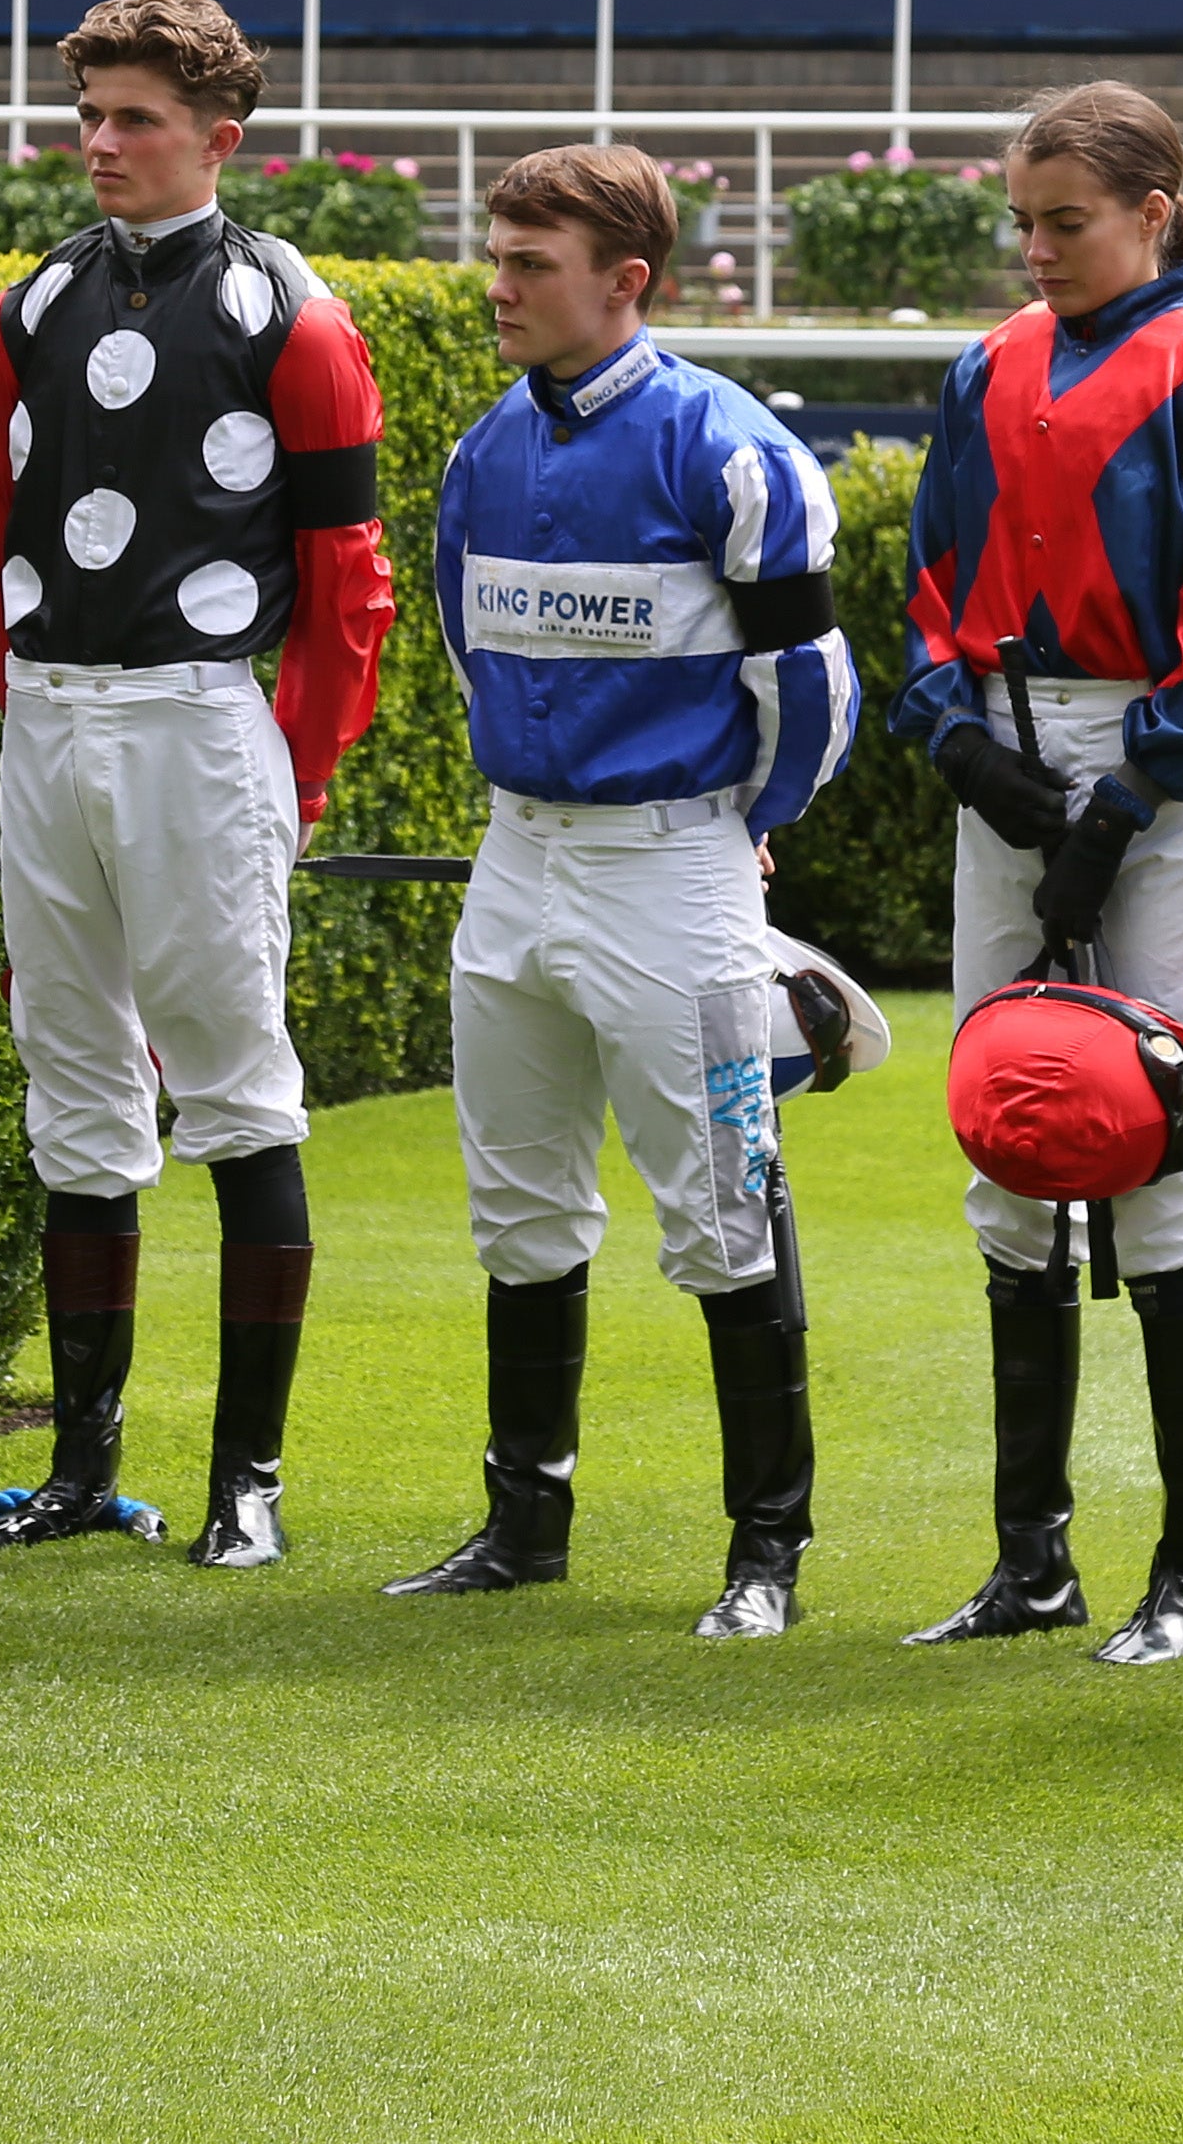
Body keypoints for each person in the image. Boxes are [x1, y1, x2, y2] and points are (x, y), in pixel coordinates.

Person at [0, 0, 390, 1568]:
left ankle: (247, 1482)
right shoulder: (34, 304)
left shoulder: (294, 316)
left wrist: (302, 771)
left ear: (220, 139)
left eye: (135, 119)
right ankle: (77, 1468)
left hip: (203, 725)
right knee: (69, 1079)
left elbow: (350, 575)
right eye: (90, 117)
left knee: (234, 1084)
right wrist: (24, 693)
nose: (103, 145)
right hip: (52, 721)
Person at [890, 83, 1183, 1667]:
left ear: (1156, 210)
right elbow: (932, 574)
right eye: (1025, 220)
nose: (1039, 247)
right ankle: (1034, 1564)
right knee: (1010, 1147)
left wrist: (1119, 800)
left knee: (1154, 1157)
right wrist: (956, 743)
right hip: (1008, 757)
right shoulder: (989, 361)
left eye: (1065, 221)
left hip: (1168, 783)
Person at [395, 144, 852, 1638]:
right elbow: (472, 650)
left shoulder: (728, 446)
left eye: (533, 263)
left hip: (676, 870)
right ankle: (523, 1525)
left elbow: (812, 686)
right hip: (516, 859)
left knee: (726, 1206)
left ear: (626, 281)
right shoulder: (482, 451)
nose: (500, 286)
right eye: (500, 254)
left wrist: (747, 826)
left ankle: (765, 1555)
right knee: (519, 1209)